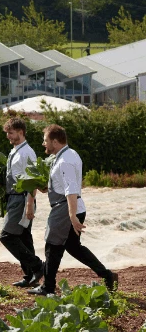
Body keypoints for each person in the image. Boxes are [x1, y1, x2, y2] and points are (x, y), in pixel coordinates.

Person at [28, 124, 118, 296]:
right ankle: (107, 275)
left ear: (55, 141)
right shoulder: (69, 154)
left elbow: (71, 188)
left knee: (52, 246)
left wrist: (71, 215)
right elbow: (66, 185)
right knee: (73, 247)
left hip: (65, 208)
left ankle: (48, 286)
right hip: (69, 206)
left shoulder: (65, 161)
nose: (43, 144)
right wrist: (49, 188)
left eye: (45, 140)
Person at [0, 118, 43, 288]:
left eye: (11, 133)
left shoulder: (28, 153)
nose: (8, 136)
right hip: (13, 198)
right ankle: (30, 276)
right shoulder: (15, 151)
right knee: (24, 238)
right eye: (7, 133)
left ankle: (38, 266)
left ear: (21, 132)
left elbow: (33, 179)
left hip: (22, 199)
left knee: (7, 237)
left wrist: (29, 204)